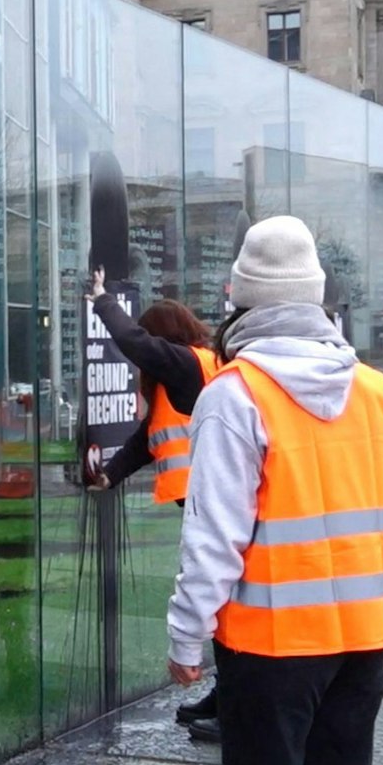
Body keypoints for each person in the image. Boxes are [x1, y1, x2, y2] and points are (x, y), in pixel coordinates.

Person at [168, 215, 383, 765]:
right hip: (362, 645)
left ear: (238, 296)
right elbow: (380, 522)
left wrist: (185, 634)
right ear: (319, 297)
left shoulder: (236, 396)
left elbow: (214, 536)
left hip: (270, 650)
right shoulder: (376, 391)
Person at [82, 277, 224, 739]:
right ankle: (227, 698)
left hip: (214, 499)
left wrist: (103, 302)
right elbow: (147, 441)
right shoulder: (180, 378)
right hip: (207, 498)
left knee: (225, 599)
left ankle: (234, 707)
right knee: (225, 600)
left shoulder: (187, 364)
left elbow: (134, 342)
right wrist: (110, 475)